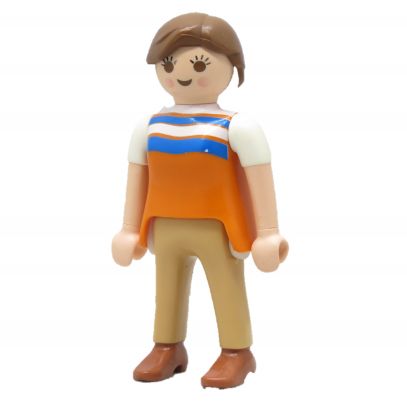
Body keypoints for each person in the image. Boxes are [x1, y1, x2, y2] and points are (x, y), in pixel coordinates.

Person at [112, 12, 288, 389]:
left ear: (231, 66)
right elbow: (137, 177)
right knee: (167, 288)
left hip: (218, 226)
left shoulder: (236, 127)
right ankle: (167, 346)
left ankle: (236, 351)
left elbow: (260, 179)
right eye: (169, 63)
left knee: (226, 285)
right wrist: (129, 229)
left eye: (198, 64)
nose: (180, 74)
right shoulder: (149, 126)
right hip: (164, 225)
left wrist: (268, 233)